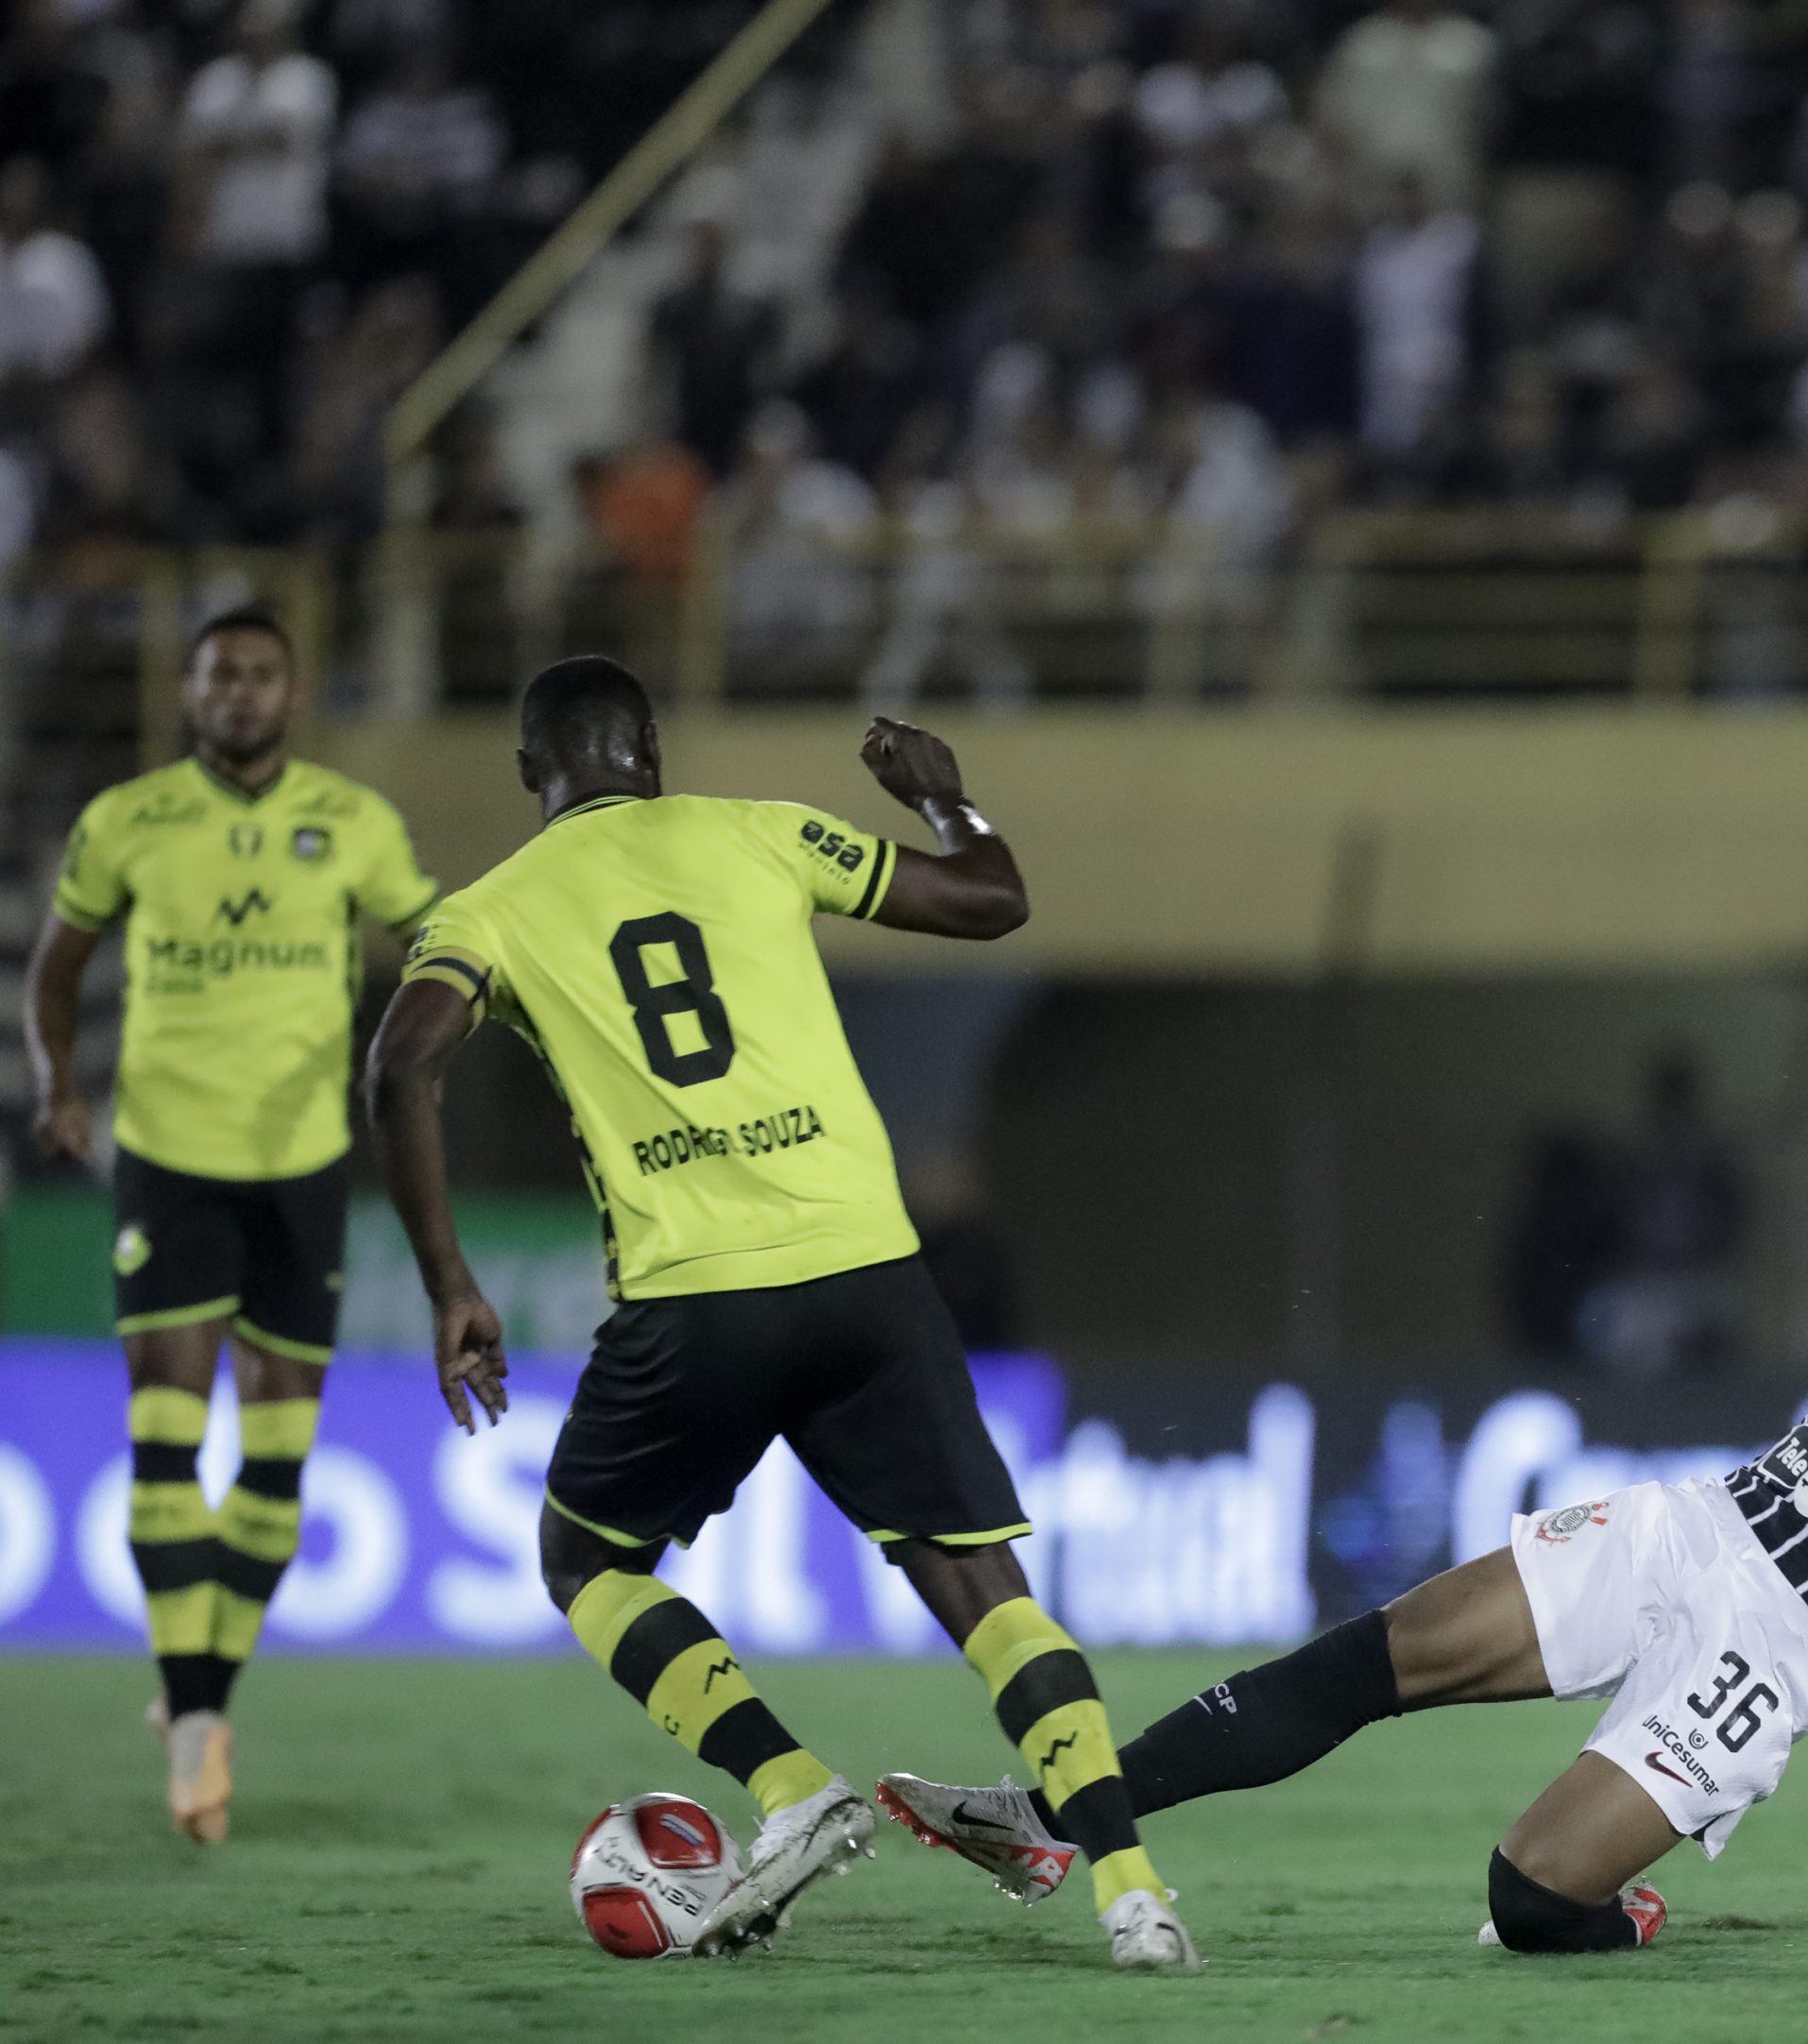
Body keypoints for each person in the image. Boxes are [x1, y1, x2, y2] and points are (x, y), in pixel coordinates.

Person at [881, 979, 1808, 1955]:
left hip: (1776, 1645)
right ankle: (1056, 1822)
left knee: (1527, 1901)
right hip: (1695, 1525)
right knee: (1373, 1656)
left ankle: (1623, 1911)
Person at [361, 661, 1195, 1969]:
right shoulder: (756, 828)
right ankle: (1135, 1898)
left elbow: (400, 1063)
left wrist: (451, 1282)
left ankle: (795, 1790)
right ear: (649, 745)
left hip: (698, 1300)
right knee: (988, 1595)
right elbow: (992, 901)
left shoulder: (490, 912)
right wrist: (949, 802)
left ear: (533, 773)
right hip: (872, 1279)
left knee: (586, 1564)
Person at [24, 605, 443, 1845]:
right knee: (164, 1436)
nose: (242, 694)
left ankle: (203, 1695)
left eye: (261, 675)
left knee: (274, 1464)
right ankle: (199, 1727)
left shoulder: (355, 823)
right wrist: (56, 1082)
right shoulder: (129, 819)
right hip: (168, 1156)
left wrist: (428, 1038)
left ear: (292, 692)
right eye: (221, 676)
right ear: (192, 693)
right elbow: (56, 967)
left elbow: (430, 940)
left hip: (303, 1163)